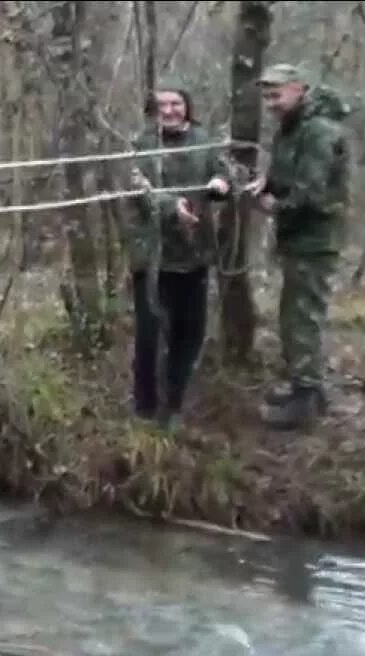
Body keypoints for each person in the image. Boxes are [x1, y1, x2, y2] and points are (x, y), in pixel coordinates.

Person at [245, 63, 352, 431]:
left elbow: (311, 193)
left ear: (299, 89)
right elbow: (287, 177)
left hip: (315, 239)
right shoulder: (290, 130)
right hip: (298, 238)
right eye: (267, 96)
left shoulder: (318, 131)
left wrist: (273, 206)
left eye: (277, 94)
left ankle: (305, 401)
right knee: (293, 316)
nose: (271, 102)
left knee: (302, 319)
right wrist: (267, 183)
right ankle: (306, 389)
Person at [126, 78, 232, 431]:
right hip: (152, 257)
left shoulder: (204, 140)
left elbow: (225, 169)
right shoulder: (140, 144)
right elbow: (135, 186)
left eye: (176, 104)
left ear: (187, 106)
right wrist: (172, 207)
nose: (169, 111)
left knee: (191, 332)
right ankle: (143, 408)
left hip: (195, 254)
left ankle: (174, 403)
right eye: (162, 105)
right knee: (149, 333)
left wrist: (222, 183)